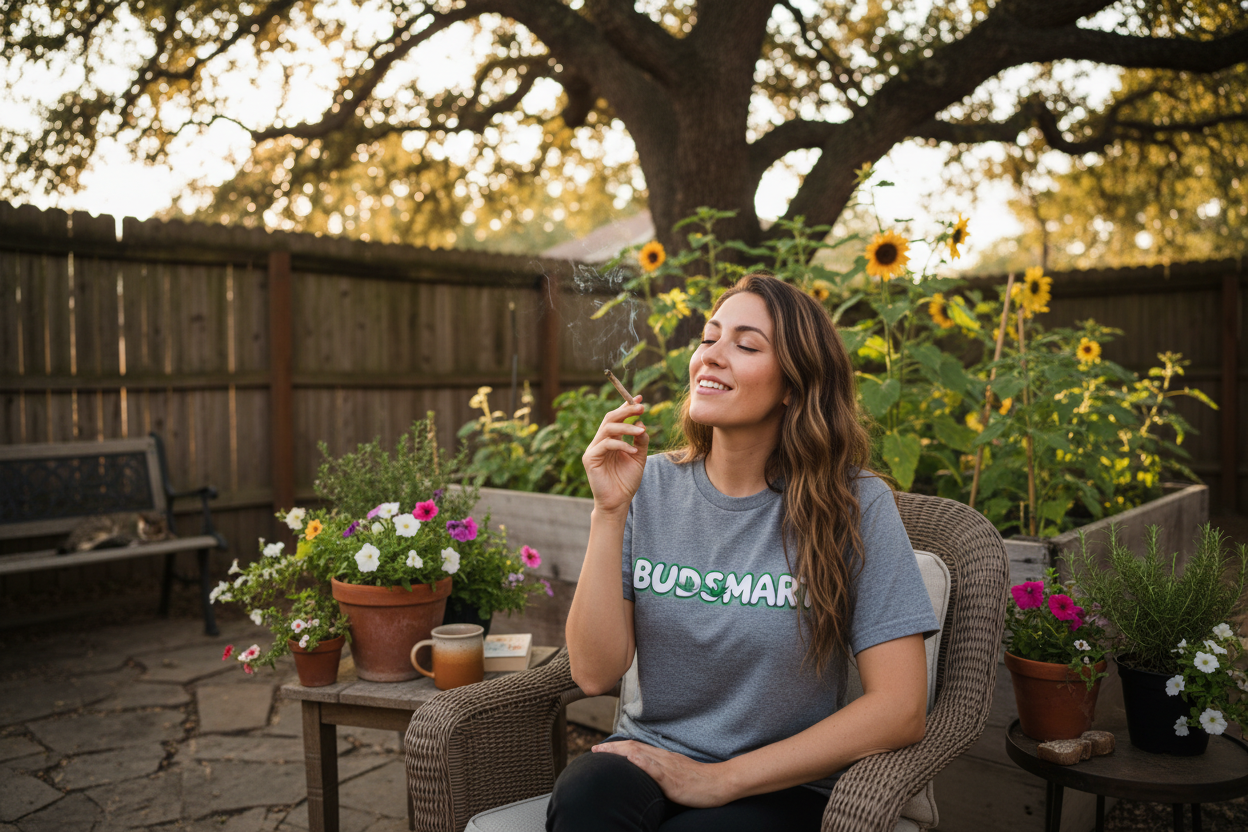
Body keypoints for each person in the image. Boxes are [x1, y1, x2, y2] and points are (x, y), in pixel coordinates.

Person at [549, 273, 941, 832]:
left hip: (779, 783)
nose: (712, 356)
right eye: (709, 339)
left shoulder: (853, 504)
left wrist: (720, 779)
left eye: (746, 344)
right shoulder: (649, 485)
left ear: (792, 386)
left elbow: (900, 709)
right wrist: (609, 513)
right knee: (586, 793)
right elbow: (594, 673)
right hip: (649, 757)